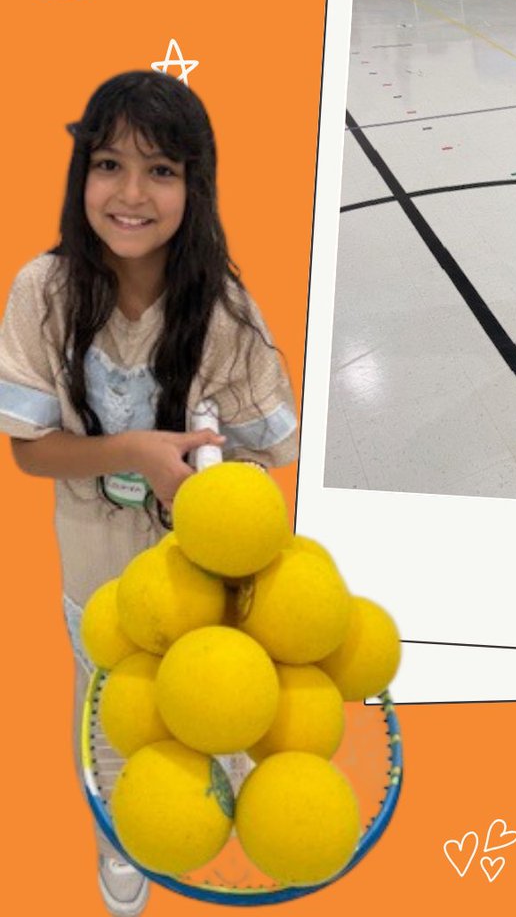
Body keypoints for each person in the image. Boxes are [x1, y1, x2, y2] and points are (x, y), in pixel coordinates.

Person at [0, 72, 298, 915]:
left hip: (201, 581)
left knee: (215, 712)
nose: (131, 194)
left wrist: (218, 481)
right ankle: (121, 848)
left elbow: (266, 453)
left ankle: (219, 822)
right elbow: (28, 452)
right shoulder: (42, 292)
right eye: (109, 165)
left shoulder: (225, 310)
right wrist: (134, 450)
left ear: (195, 187)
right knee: (111, 722)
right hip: (96, 576)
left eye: (160, 170)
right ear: (81, 175)